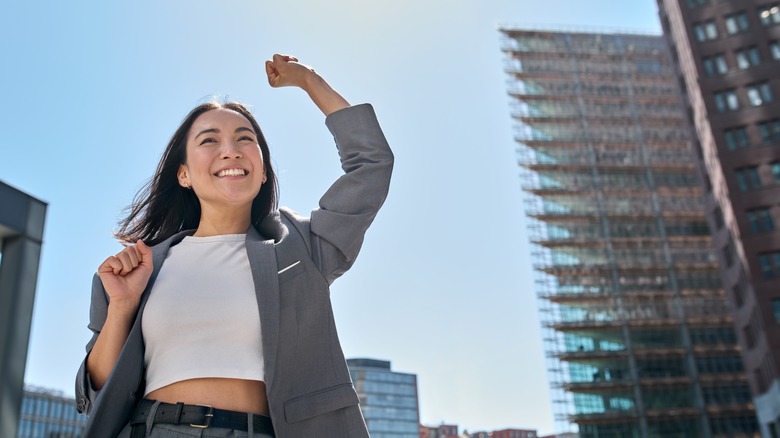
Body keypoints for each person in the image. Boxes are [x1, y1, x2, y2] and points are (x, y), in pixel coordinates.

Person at [75, 54, 394, 438]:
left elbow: (371, 164)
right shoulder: (139, 268)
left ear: (261, 172)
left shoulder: (301, 248)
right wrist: (123, 306)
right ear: (184, 174)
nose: (231, 150)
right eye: (210, 140)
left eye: (246, 139)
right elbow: (97, 392)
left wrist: (309, 81)